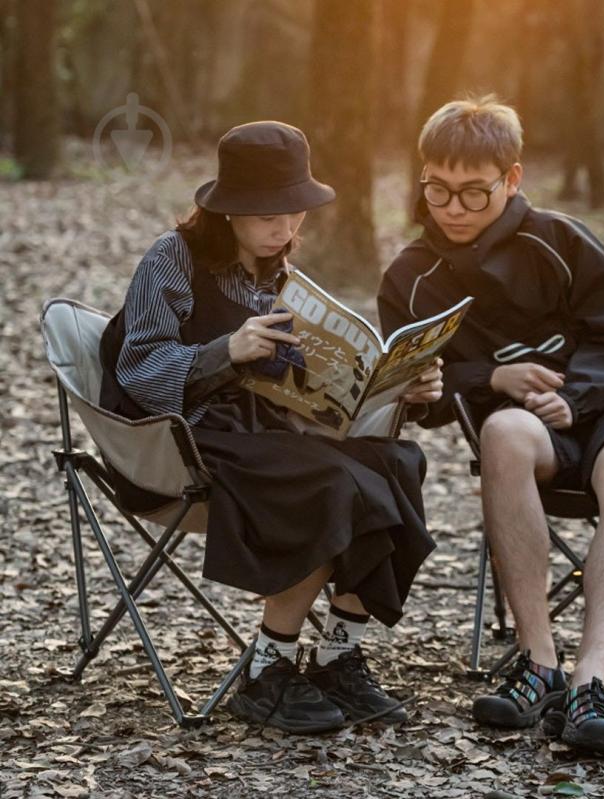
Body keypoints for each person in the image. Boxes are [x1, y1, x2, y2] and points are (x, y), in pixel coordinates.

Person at [99, 121, 442, 734]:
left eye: (294, 214)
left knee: (397, 464)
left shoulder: (276, 272)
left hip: (262, 431)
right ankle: (268, 670)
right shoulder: (172, 258)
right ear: (229, 212)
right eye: (267, 217)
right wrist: (225, 351)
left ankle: (337, 655)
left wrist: (396, 388)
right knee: (329, 482)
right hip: (180, 442)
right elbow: (137, 373)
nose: (285, 229)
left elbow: (302, 387)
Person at [378, 96, 604, 758]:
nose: (452, 208)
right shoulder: (409, 275)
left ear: (511, 179)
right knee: (503, 432)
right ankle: (538, 662)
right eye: (436, 190)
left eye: (472, 192)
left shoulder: (558, 239)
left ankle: (588, 681)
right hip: (527, 432)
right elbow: (421, 398)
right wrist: (475, 378)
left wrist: (575, 394)